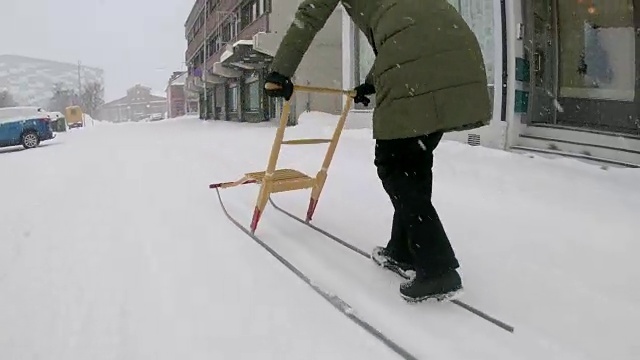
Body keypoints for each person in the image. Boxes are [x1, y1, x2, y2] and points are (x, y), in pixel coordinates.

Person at [264, 0, 492, 302]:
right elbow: (411, 29)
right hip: (459, 49)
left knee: (394, 164)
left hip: (416, 64)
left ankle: (438, 269)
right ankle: (403, 251)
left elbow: (310, 16)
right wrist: (371, 82)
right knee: (414, 160)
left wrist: (279, 72)